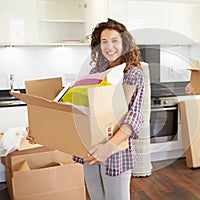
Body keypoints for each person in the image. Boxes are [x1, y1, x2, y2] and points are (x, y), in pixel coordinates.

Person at [27, 18, 145, 200]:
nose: (109, 46)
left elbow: (134, 117)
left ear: (125, 43)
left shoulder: (134, 74)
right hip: (89, 150)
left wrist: (109, 147)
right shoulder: (95, 72)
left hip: (115, 152)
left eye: (115, 40)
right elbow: (79, 112)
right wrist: (41, 130)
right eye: (104, 42)